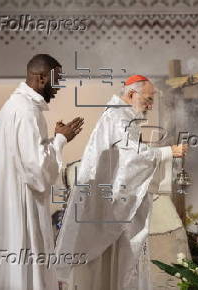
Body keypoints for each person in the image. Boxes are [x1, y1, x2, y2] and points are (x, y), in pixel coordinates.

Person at [55, 75, 187, 290]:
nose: (151, 105)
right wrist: (168, 152)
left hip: (112, 200)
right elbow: (131, 157)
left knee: (114, 264)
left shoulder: (122, 115)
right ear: (132, 94)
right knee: (115, 263)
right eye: (148, 98)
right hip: (111, 203)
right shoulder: (119, 117)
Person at [0, 54, 84, 290]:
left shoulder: (14, 107)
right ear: (42, 78)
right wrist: (61, 141)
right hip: (21, 208)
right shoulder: (26, 112)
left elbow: (25, 157)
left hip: (9, 203)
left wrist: (51, 140)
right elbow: (37, 173)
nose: (58, 87)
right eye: (57, 80)